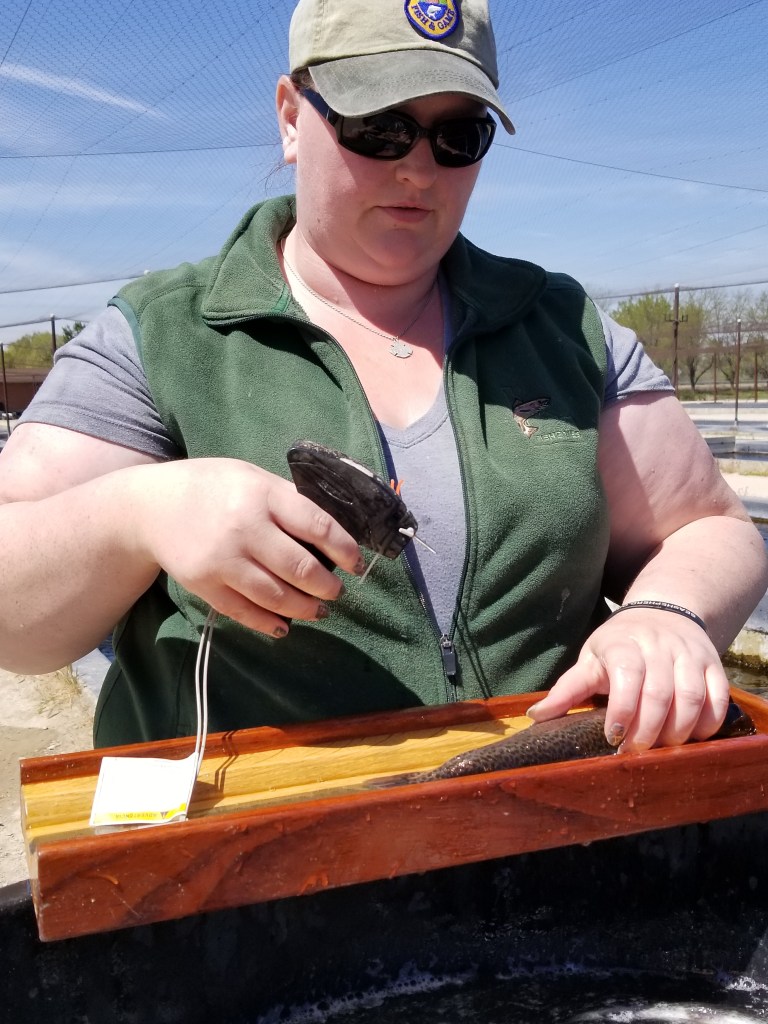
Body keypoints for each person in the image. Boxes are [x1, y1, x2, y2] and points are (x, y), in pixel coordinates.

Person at [0, 0, 765, 755]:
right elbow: (14, 617)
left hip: (543, 807)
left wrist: (669, 612)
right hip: (250, 823)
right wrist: (135, 513)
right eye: (379, 127)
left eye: (457, 136)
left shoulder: (562, 327)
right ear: (291, 117)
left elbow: (710, 526)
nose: (418, 168)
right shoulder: (164, 334)